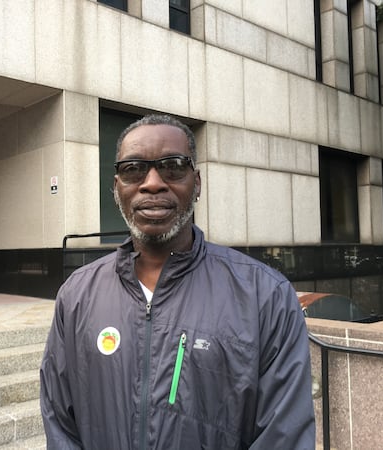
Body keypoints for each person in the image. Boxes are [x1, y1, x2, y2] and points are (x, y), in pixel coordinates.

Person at [40, 114, 316, 449]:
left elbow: (283, 436)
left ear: (196, 183)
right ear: (117, 188)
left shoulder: (265, 296)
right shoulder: (77, 294)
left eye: (172, 166)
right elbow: (59, 421)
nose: (152, 182)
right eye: (133, 169)